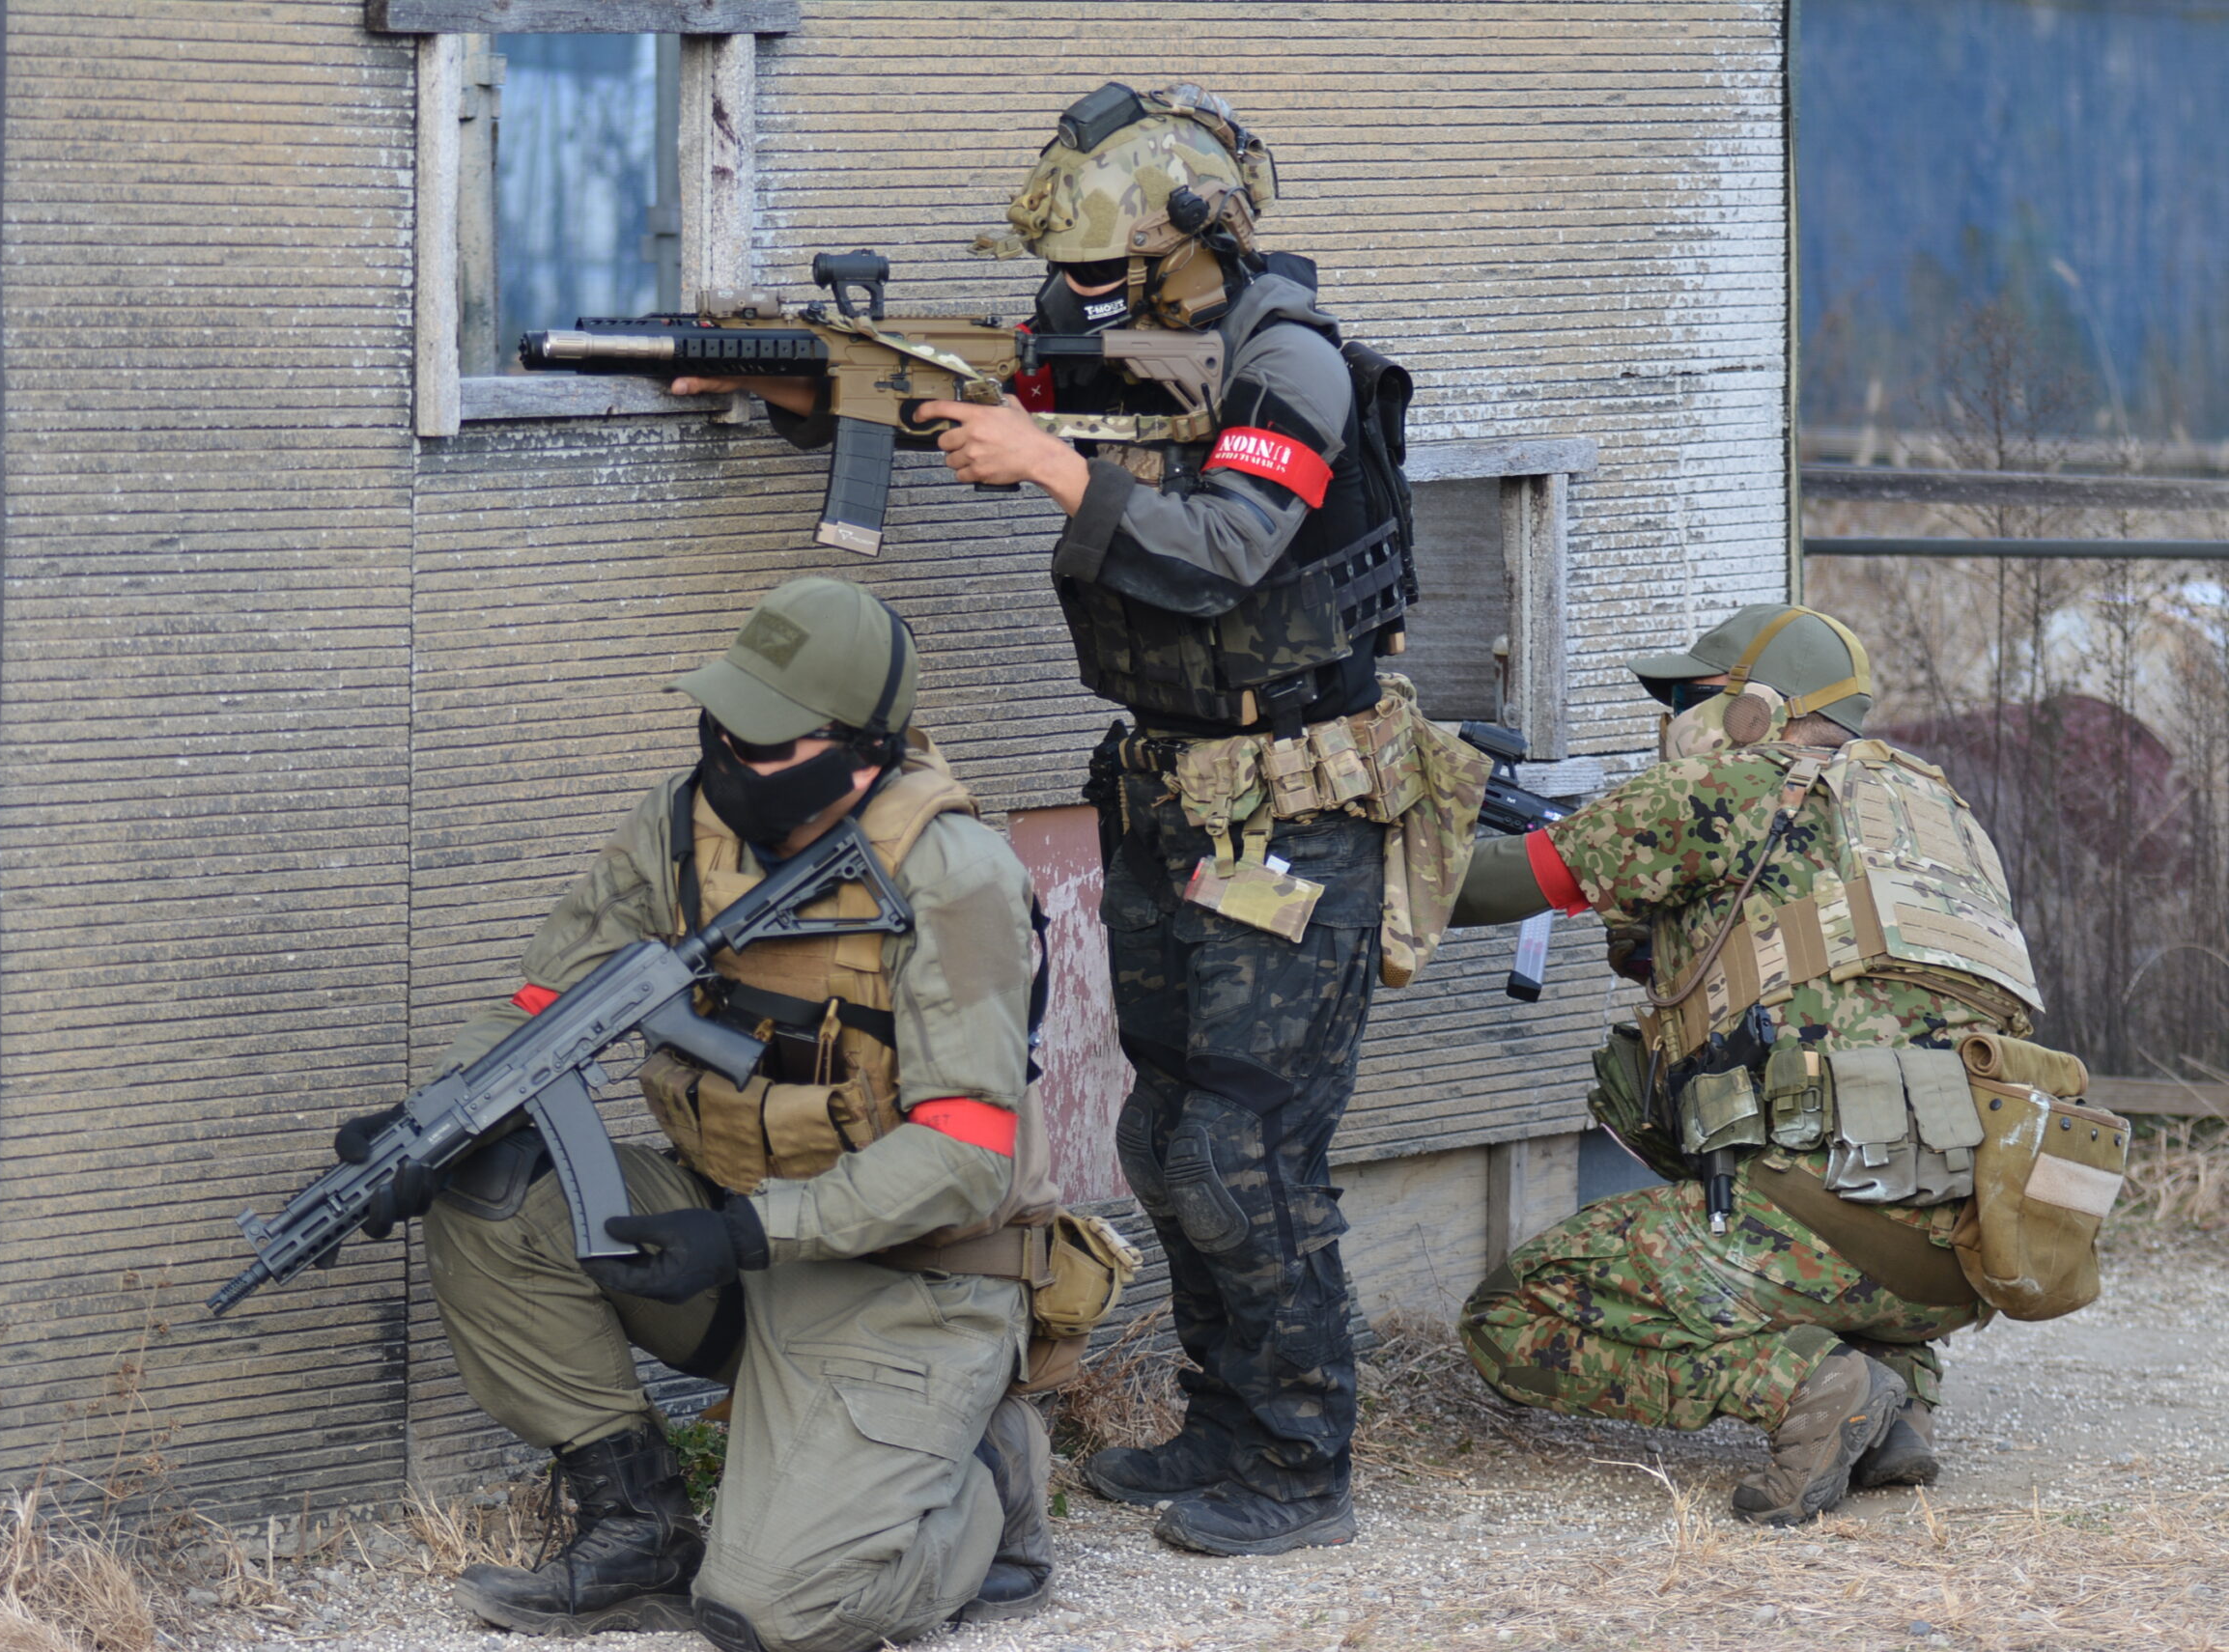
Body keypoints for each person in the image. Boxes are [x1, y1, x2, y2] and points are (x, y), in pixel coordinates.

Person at [680, 82, 1439, 1556]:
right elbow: (989, 397)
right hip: (1169, 789)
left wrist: (1049, 465)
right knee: (1165, 1132)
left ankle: (1300, 1462)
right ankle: (1227, 1417)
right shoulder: (1124, 341)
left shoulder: (1289, 363)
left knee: (1241, 1147)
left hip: (1295, 806)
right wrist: (815, 393)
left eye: (1100, 269)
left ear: (1184, 244)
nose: (1074, 296)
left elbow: (1224, 548)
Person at [338, 577, 1059, 1650]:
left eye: (763, 740)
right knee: (490, 1186)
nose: (727, 756)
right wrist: (427, 1120)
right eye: (723, 724)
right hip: (733, 1229)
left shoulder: (956, 876)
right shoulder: (682, 826)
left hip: (910, 1280)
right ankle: (640, 1528)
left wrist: (744, 1234)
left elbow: (965, 1158)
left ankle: (990, 1478)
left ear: (862, 751)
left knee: (776, 1611)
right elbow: (540, 1006)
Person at [1449, 603, 2052, 1525]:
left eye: (1687, 698)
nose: (1672, 720)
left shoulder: (1728, 787)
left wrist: (1363, 847)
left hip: (1816, 1224)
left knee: (1508, 1315)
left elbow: (1487, 884)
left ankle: (1811, 1386)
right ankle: (1899, 1389)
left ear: (1754, 710)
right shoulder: (1939, 815)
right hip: (1974, 1249)